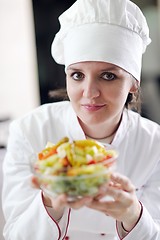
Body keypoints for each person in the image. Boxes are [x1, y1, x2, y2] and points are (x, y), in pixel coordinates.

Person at [2, 0, 160, 239]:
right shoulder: (30, 130)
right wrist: (49, 199)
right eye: (77, 75)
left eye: (108, 76)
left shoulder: (154, 144)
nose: (89, 92)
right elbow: (15, 234)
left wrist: (132, 215)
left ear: (133, 85)